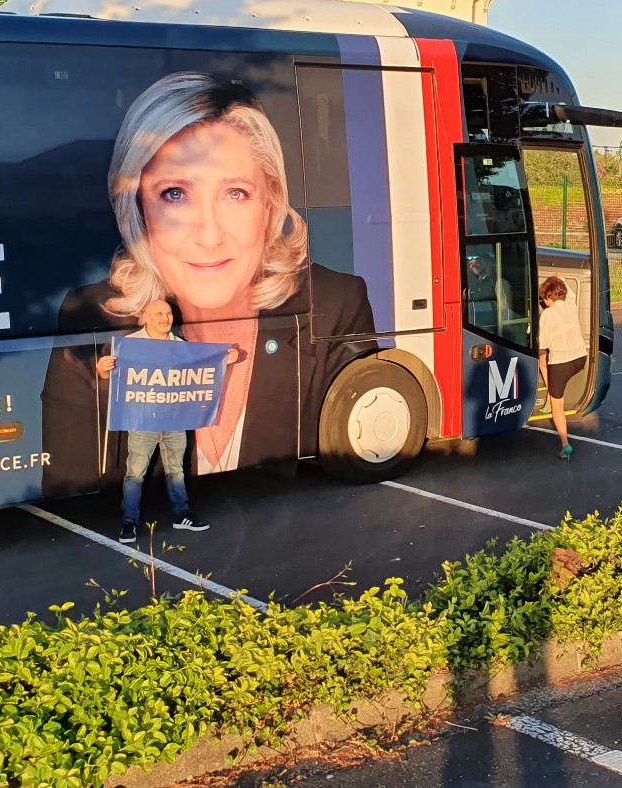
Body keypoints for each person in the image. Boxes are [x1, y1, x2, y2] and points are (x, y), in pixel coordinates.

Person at [42, 72, 376, 496]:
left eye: (235, 193)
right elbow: (72, 494)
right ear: (137, 209)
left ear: (270, 204)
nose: (209, 235)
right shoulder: (90, 319)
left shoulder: (336, 304)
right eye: (175, 194)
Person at [95, 300, 210, 544]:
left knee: (176, 470)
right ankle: (129, 523)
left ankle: (182, 515)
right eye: (158, 314)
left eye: (168, 313)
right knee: (135, 474)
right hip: (142, 421)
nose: (164, 318)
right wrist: (102, 369)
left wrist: (222, 360)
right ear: (144, 317)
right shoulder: (130, 346)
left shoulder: (181, 345)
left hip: (174, 420)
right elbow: (109, 375)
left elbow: (202, 370)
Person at [537, 275, 586, 460]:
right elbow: (570, 292)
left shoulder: (547, 314)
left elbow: (544, 342)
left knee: (558, 405)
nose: (543, 301)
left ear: (549, 297)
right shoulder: (570, 305)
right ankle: (551, 395)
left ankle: (565, 444)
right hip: (580, 358)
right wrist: (560, 278)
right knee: (550, 368)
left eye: (543, 298)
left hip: (562, 362)